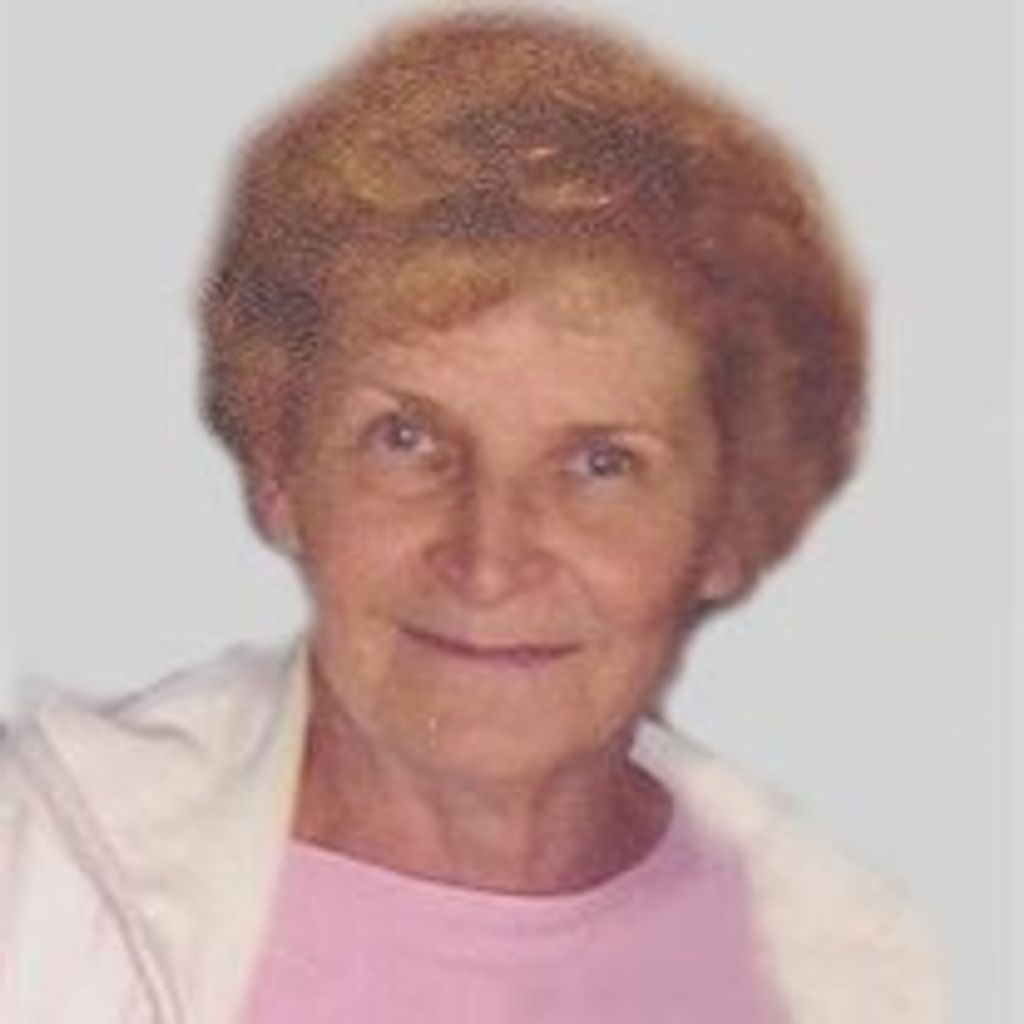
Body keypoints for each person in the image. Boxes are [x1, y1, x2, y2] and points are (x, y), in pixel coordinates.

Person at [0, 9, 943, 1023]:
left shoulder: (853, 970)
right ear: (281, 469)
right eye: (406, 439)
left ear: (728, 524)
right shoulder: (41, 881)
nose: (489, 560)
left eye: (599, 463)